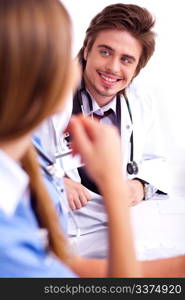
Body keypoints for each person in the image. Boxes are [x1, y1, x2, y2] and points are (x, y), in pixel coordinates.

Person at [0, 0, 141, 278]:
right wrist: (113, 183)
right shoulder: (7, 242)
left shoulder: (26, 145)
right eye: (63, 54)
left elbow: (56, 262)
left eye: (126, 59)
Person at [56, 3, 169, 258]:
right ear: (87, 49)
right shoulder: (49, 95)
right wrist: (55, 182)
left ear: (137, 67)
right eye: (105, 52)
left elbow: (159, 162)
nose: (113, 68)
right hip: (56, 227)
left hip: (114, 228)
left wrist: (140, 186)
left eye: (126, 59)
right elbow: (11, 158)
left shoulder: (142, 102)